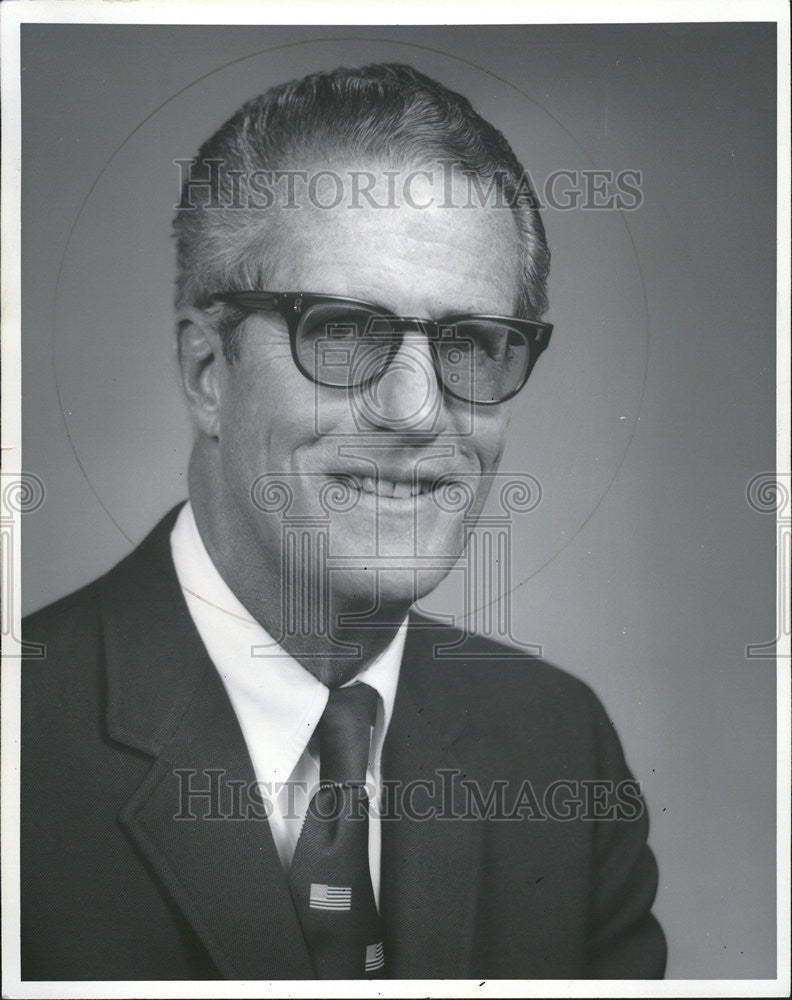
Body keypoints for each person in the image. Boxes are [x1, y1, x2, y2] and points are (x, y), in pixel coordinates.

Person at [21, 63, 666, 981]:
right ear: (209, 372)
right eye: (342, 333)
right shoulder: (22, 743)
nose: (415, 411)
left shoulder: (562, 747)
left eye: (471, 343)